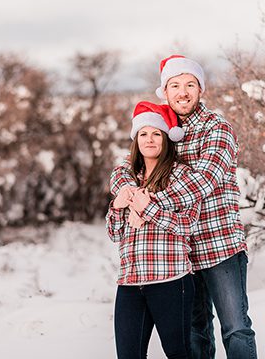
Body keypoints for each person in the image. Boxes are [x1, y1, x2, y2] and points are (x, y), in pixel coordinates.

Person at [110, 55, 256, 359]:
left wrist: (146, 202)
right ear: (165, 91)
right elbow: (130, 165)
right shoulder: (163, 127)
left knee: (235, 328)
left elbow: (204, 181)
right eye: (174, 85)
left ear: (200, 89)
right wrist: (125, 189)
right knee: (196, 334)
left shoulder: (217, 128)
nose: (183, 92)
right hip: (180, 255)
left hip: (219, 245)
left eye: (190, 84)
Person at [108, 101, 208, 358]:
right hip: (131, 282)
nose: (149, 140)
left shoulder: (182, 175)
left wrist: (147, 209)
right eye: (143, 133)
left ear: (165, 139)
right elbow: (114, 234)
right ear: (135, 139)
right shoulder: (128, 179)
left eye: (156, 134)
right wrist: (118, 207)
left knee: (178, 353)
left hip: (171, 281)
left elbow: (188, 225)